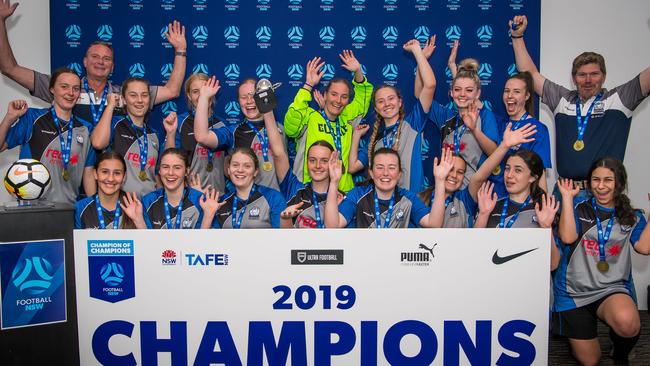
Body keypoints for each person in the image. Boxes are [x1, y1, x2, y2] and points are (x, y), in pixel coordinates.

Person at [509, 15, 650, 202]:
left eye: (594, 74)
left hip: (601, 193)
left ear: (604, 76)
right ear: (574, 78)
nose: (588, 80)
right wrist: (517, 37)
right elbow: (530, 74)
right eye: (582, 75)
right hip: (564, 192)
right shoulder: (562, 99)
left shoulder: (619, 99)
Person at [0, 1, 187, 126]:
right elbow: (10, 68)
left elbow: (172, 90)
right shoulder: (64, 87)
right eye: (95, 57)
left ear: (112, 67)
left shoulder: (125, 94)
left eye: (107, 59)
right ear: (84, 62)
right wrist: (0, 21)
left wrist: (180, 49)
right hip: (72, 169)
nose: (100, 62)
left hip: (111, 175)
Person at [555, 158, 650, 365]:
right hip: (574, 292)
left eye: (608, 180)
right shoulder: (579, 207)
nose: (600, 185)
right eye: (596, 179)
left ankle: (620, 354)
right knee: (590, 361)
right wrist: (567, 199)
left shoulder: (631, 215)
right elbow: (568, 237)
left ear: (619, 183)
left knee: (628, 324)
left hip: (610, 289)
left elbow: (645, 248)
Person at [348, 37, 435, 192]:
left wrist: (417, 52)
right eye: (381, 101)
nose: (387, 104)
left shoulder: (413, 123)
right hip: (384, 206)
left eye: (391, 99)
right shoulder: (375, 140)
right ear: (376, 108)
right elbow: (352, 167)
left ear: (400, 102)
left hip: (412, 203)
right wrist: (356, 136)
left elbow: (430, 85)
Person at [0, 67, 95, 204]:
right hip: (32, 208)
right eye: (64, 87)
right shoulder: (32, 118)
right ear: (52, 89)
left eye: (76, 88)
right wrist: (9, 117)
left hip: (69, 210)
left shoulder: (86, 129)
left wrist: (92, 208)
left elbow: (88, 173)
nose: (70, 93)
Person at [284, 50, 373, 192]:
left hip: (343, 193)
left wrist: (358, 71)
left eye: (344, 96)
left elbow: (363, 99)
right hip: (310, 191)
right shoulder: (310, 117)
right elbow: (290, 126)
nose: (338, 100)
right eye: (334, 94)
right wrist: (308, 85)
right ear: (325, 95)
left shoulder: (347, 117)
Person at [421, 121, 537, 228]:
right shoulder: (420, 199)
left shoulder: (464, 199)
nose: (454, 175)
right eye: (449, 169)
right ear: (437, 169)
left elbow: (481, 175)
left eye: (460, 172)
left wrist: (504, 146)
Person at [194, 76, 283, 190]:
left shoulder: (280, 128)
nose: (249, 101)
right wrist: (204, 98)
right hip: (247, 202)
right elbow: (202, 136)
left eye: (253, 95)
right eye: (244, 97)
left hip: (277, 203)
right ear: (238, 102)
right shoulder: (233, 132)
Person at [427, 57, 500, 189]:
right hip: (446, 187)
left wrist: (474, 130)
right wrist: (422, 58)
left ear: (477, 94)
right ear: (451, 92)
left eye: (469, 90)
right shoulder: (446, 116)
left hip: (473, 191)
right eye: (457, 89)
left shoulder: (484, 116)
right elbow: (421, 94)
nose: (462, 94)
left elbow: (495, 153)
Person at [325, 148, 441, 228]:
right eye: (380, 167)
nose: (385, 173)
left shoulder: (408, 198)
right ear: (371, 172)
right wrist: (334, 182)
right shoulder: (357, 195)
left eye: (391, 168)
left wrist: (440, 181)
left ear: (399, 173)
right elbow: (332, 226)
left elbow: (434, 224)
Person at [90, 77, 166, 197]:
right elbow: (98, 143)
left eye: (144, 95)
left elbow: (157, 174)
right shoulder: (114, 124)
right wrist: (110, 106)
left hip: (148, 205)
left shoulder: (154, 134)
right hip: (120, 204)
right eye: (133, 95)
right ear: (124, 99)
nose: (140, 100)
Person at [121, 148, 220, 229]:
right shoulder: (148, 201)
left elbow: (204, 245)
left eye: (177, 167)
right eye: (165, 167)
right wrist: (138, 220)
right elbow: (147, 245)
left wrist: (208, 216)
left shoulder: (202, 201)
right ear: (159, 171)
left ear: (186, 171)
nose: (171, 173)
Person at [490, 71, 552, 197]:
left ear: (527, 96)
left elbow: (540, 174)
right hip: (492, 198)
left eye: (516, 91)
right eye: (507, 91)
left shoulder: (537, 129)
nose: (510, 95)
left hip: (519, 201)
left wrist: (543, 205)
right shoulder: (498, 124)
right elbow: (470, 99)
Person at [167, 73, 228, 193]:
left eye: (205, 90)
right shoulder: (179, 122)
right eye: (195, 91)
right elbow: (169, 159)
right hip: (189, 197)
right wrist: (170, 134)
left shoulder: (223, 124)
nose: (202, 95)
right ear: (189, 96)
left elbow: (230, 163)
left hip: (218, 196)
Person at [474, 149, 558, 230]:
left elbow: (554, 245)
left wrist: (546, 227)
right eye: (507, 168)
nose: (509, 175)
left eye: (518, 170)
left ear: (533, 177)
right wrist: (483, 214)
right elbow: (475, 243)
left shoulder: (546, 208)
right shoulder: (490, 207)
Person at [213, 147, 286, 229]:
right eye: (235, 165)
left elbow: (282, 238)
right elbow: (213, 240)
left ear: (255, 172)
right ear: (229, 170)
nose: (240, 170)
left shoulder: (273, 197)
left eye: (247, 166)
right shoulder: (221, 203)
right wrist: (209, 214)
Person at [75, 151, 135, 229]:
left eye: (117, 173)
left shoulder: (133, 206)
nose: (110, 178)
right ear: (95, 174)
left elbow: (145, 240)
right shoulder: (80, 207)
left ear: (124, 177)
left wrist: (138, 220)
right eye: (105, 172)